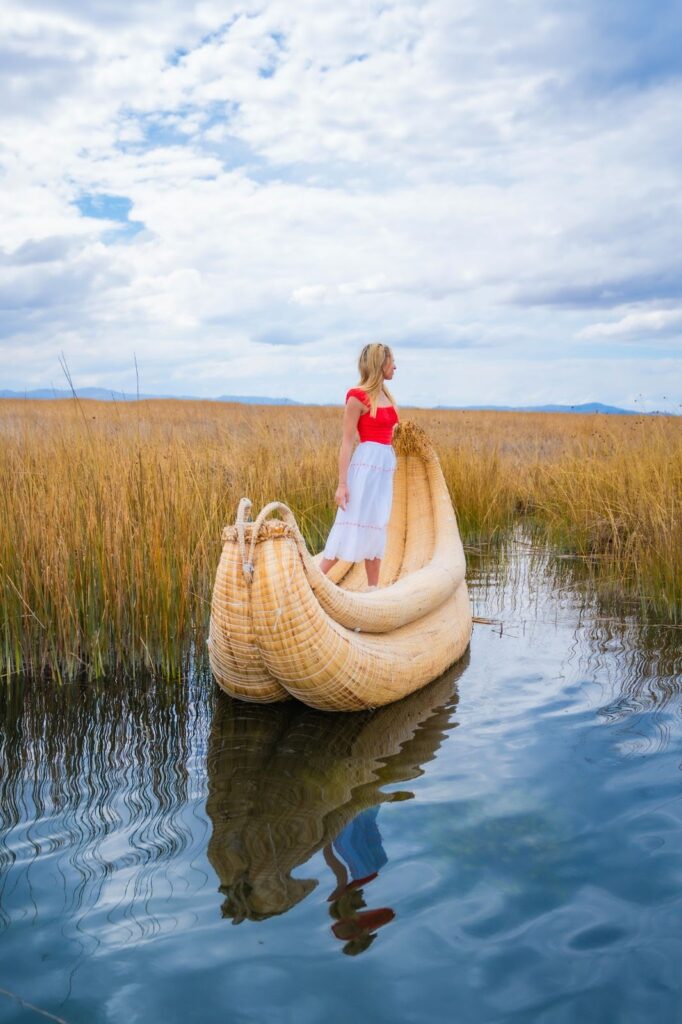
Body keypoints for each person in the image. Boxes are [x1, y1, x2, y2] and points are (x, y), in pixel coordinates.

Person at [320, 343, 399, 588]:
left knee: (376, 526)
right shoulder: (357, 396)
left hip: (384, 470)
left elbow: (391, 434)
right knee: (350, 524)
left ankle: (373, 591)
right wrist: (342, 485)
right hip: (365, 467)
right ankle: (311, 582)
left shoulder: (387, 395)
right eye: (391, 361)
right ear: (379, 364)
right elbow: (346, 442)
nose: (395, 366)